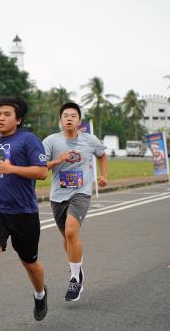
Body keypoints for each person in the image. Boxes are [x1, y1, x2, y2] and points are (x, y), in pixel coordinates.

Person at [0, 96, 49, 331]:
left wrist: (11, 168)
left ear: (18, 119)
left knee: (30, 263)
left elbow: (42, 171)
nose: (1, 118)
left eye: (6, 114)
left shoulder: (29, 140)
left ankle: (40, 293)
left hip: (23, 212)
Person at [42, 102, 108, 302]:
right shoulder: (51, 141)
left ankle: (74, 278)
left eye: (73, 116)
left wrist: (104, 176)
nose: (69, 118)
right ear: (60, 120)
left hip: (80, 193)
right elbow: (41, 167)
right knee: (67, 237)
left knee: (71, 231)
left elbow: (102, 155)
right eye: (65, 115)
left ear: (79, 121)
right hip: (58, 196)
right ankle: (77, 270)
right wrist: (58, 160)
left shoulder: (90, 140)